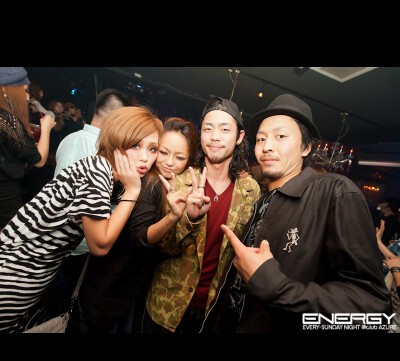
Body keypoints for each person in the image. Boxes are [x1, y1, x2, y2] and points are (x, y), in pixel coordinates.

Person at [204, 93, 391, 333]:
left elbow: (373, 310)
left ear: (306, 147)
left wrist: (273, 286)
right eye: (261, 139)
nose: (267, 146)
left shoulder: (334, 192)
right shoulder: (261, 201)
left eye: (280, 136)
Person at [0, 106, 163, 333]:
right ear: (116, 141)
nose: (145, 157)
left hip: (33, 275)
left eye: (153, 149)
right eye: (135, 145)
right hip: (14, 272)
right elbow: (100, 244)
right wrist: (133, 191)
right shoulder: (98, 169)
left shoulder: (113, 179)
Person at [145, 96, 260, 333]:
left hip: (215, 310)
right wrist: (190, 218)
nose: (215, 136)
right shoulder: (178, 183)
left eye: (224, 129)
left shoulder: (250, 191)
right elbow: (163, 248)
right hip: (168, 306)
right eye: (208, 129)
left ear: (239, 137)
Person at [78, 117, 198, 333]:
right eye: (162, 152)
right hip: (110, 290)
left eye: (180, 157)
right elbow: (139, 238)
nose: (170, 162)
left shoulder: (166, 184)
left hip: (125, 288)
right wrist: (172, 218)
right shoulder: (148, 182)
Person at [44, 89, 130, 331]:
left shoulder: (70, 139)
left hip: (56, 243)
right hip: (77, 247)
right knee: (62, 314)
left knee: (53, 308)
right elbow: (81, 205)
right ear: (114, 118)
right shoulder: (98, 149)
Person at [0, 67, 55, 230]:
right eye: (24, 91)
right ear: (4, 88)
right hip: (5, 197)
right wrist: (46, 128)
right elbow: (39, 160)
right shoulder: (7, 120)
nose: (26, 97)